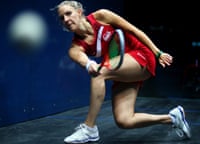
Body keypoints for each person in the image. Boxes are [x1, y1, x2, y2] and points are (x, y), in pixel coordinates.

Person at [53, 1, 191, 143]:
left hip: (141, 55)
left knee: (100, 73)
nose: (66, 20)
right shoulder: (74, 48)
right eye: (61, 18)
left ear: (79, 12)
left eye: (68, 13)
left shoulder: (102, 16)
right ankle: (173, 118)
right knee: (124, 120)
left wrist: (157, 52)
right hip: (122, 69)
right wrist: (89, 64)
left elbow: (134, 30)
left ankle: (89, 128)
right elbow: (83, 60)